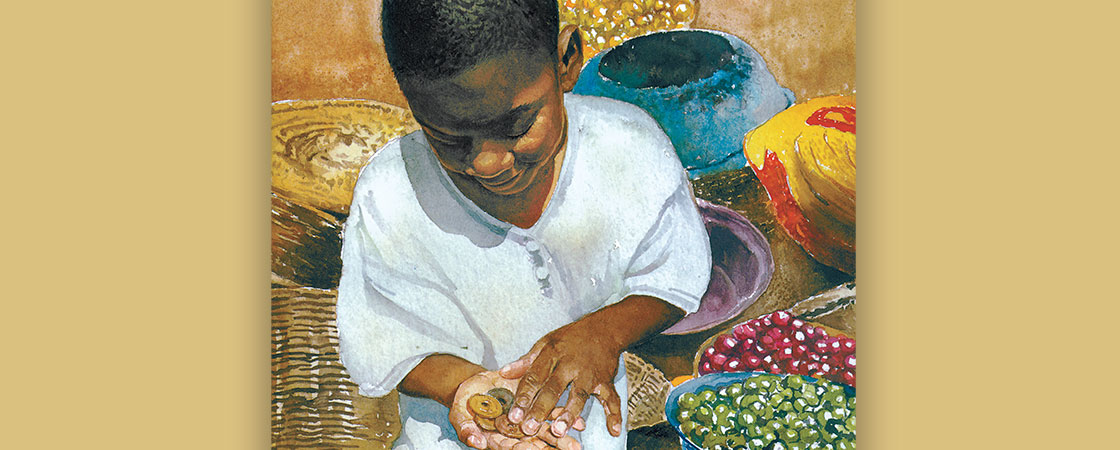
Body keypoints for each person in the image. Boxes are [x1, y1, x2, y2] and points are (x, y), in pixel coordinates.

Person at [337, 1, 712, 448]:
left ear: (568, 59)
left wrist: (604, 333)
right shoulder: (392, 191)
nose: (488, 163)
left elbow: (677, 276)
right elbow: (381, 339)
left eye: (516, 126)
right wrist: (464, 388)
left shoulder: (630, 149)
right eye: (449, 139)